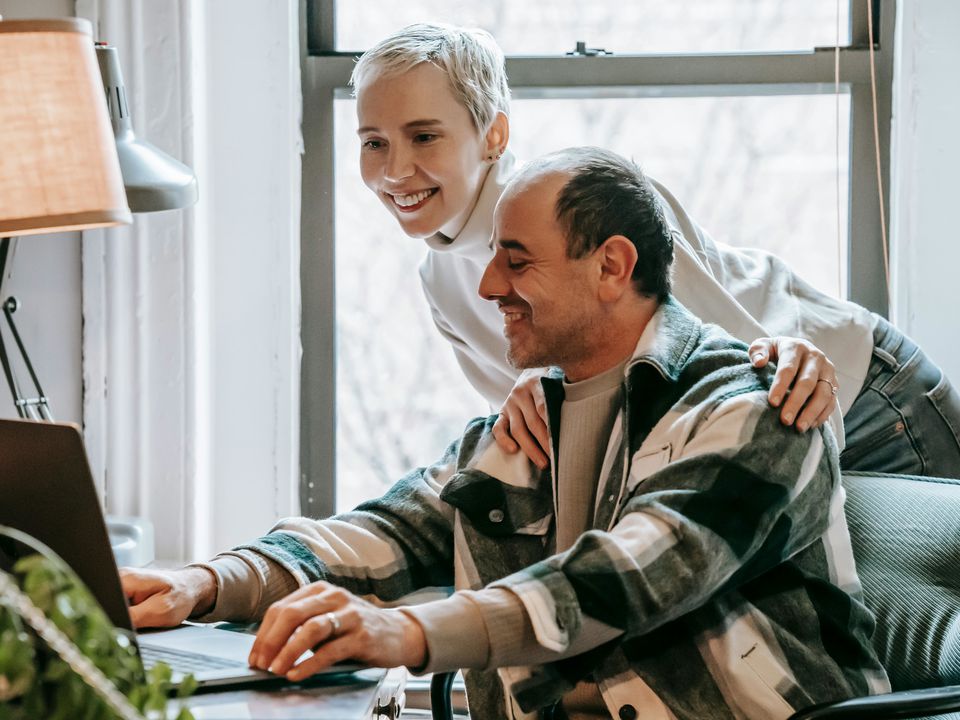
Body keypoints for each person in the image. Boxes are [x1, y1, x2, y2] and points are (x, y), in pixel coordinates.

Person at [123, 148, 888, 720]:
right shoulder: (526, 419)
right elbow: (389, 530)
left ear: (612, 267)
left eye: (516, 261)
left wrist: (405, 632)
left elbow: (630, 577)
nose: (489, 285)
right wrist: (206, 584)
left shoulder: (758, 406)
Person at [352, 22, 960, 477]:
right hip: (769, 429)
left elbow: (721, 361)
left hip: (863, 399)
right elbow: (556, 432)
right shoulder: (441, 280)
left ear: (495, 135)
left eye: (424, 136)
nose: (395, 170)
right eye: (374, 142)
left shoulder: (589, 201)